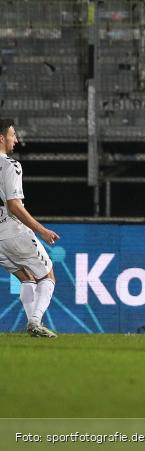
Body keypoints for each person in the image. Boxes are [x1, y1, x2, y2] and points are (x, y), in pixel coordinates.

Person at [0, 119, 60, 338]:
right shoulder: (11, 165)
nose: (16, 140)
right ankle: (35, 321)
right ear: (1, 138)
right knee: (48, 276)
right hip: (14, 232)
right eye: (13, 135)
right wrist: (42, 230)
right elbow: (14, 206)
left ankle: (32, 325)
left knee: (27, 278)